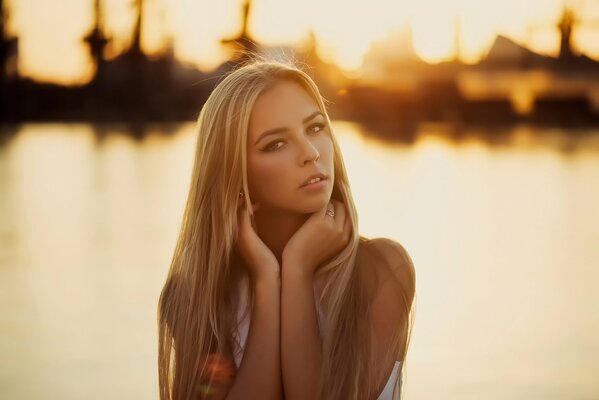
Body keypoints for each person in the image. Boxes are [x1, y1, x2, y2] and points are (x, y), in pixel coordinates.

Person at [157, 55, 416, 400]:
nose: (310, 152)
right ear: (234, 174)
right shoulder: (192, 296)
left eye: (315, 127)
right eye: (276, 144)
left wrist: (297, 268)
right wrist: (267, 280)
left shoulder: (382, 271)